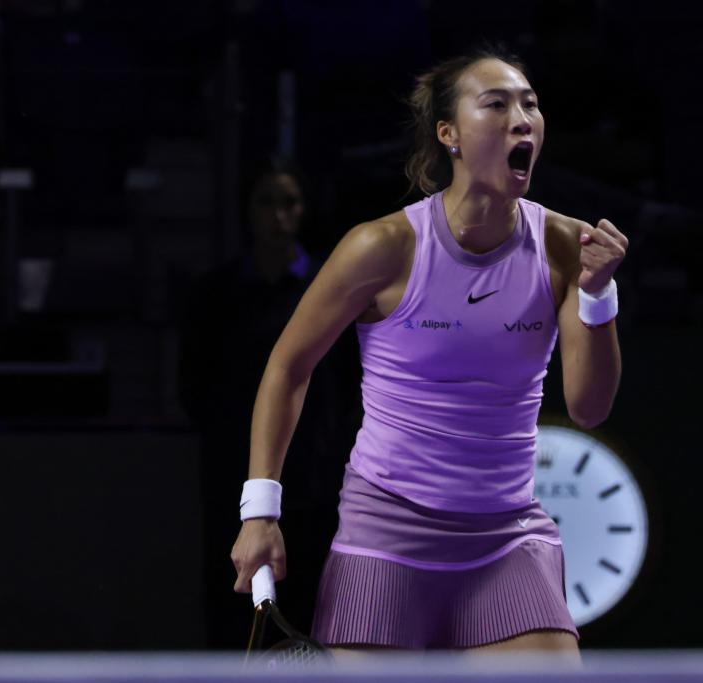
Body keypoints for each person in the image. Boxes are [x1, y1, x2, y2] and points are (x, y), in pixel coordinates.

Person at [230, 46, 628, 659]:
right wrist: (260, 511)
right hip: (384, 535)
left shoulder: (567, 248)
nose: (521, 119)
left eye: (530, 105)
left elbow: (589, 407)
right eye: (496, 105)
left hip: (507, 535)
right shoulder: (382, 247)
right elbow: (289, 366)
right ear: (450, 135)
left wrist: (598, 296)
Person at [178, 160, 358, 648]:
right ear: (247, 210)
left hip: (314, 480)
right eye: (266, 203)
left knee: (309, 609)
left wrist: (325, 446)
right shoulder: (216, 294)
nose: (278, 215)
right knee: (231, 613)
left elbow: (348, 383)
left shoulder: (327, 287)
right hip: (234, 479)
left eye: (289, 203)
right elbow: (194, 386)